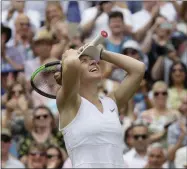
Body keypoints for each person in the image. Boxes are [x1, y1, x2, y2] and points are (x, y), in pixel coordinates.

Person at [54, 40, 145, 168]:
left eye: (94, 59)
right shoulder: (67, 101)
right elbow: (71, 63)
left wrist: (102, 53)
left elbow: (138, 69)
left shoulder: (111, 102)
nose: (93, 62)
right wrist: (69, 55)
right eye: (84, 61)